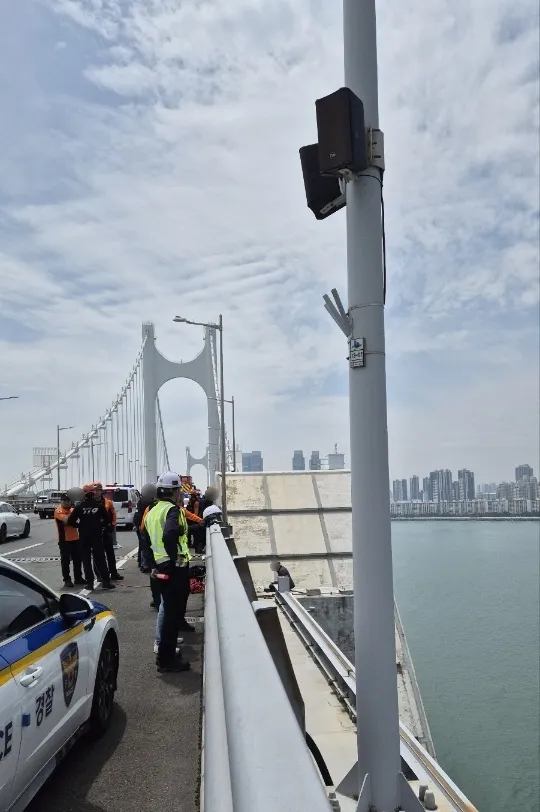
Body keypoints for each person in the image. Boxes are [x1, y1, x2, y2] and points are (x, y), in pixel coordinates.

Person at [145, 471, 192, 672]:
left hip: (160, 566)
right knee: (172, 616)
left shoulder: (153, 510)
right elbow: (170, 534)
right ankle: (167, 660)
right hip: (174, 568)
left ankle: (166, 653)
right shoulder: (172, 510)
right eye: (178, 490)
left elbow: (145, 539)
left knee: (169, 613)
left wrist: (153, 564)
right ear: (174, 491)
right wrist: (174, 559)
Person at [67, 483, 115, 590]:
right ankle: (106, 582)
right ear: (93, 493)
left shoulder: (79, 507)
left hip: (84, 536)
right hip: (96, 535)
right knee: (100, 558)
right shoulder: (99, 506)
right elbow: (108, 519)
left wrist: (80, 526)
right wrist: (99, 525)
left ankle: (89, 584)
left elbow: (70, 521)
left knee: (86, 560)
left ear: (83, 494)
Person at [93, 483, 124, 581]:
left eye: (98, 490)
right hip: (95, 533)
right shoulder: (90, 503)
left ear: (101, 491)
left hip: (106, 531)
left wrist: (112, 525)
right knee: (97, 555)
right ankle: (99, 575)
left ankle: (114, 573)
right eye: (94, 490)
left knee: (110, 553)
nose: (96, 492)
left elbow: (113, 514)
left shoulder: (108, 502)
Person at [54, 493, 84, 588]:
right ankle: (67, 579)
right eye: (65, 500)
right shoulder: (58, 510)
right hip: (64, 540)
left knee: (78, 560)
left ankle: (78, 578)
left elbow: (76, 520)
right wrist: (76, 522)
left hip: (75, 538)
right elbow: (67, 521)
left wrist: (75, 521)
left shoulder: (72, 510)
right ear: (61, 501)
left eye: (68, 500)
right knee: (65, 561)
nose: (67, 502)